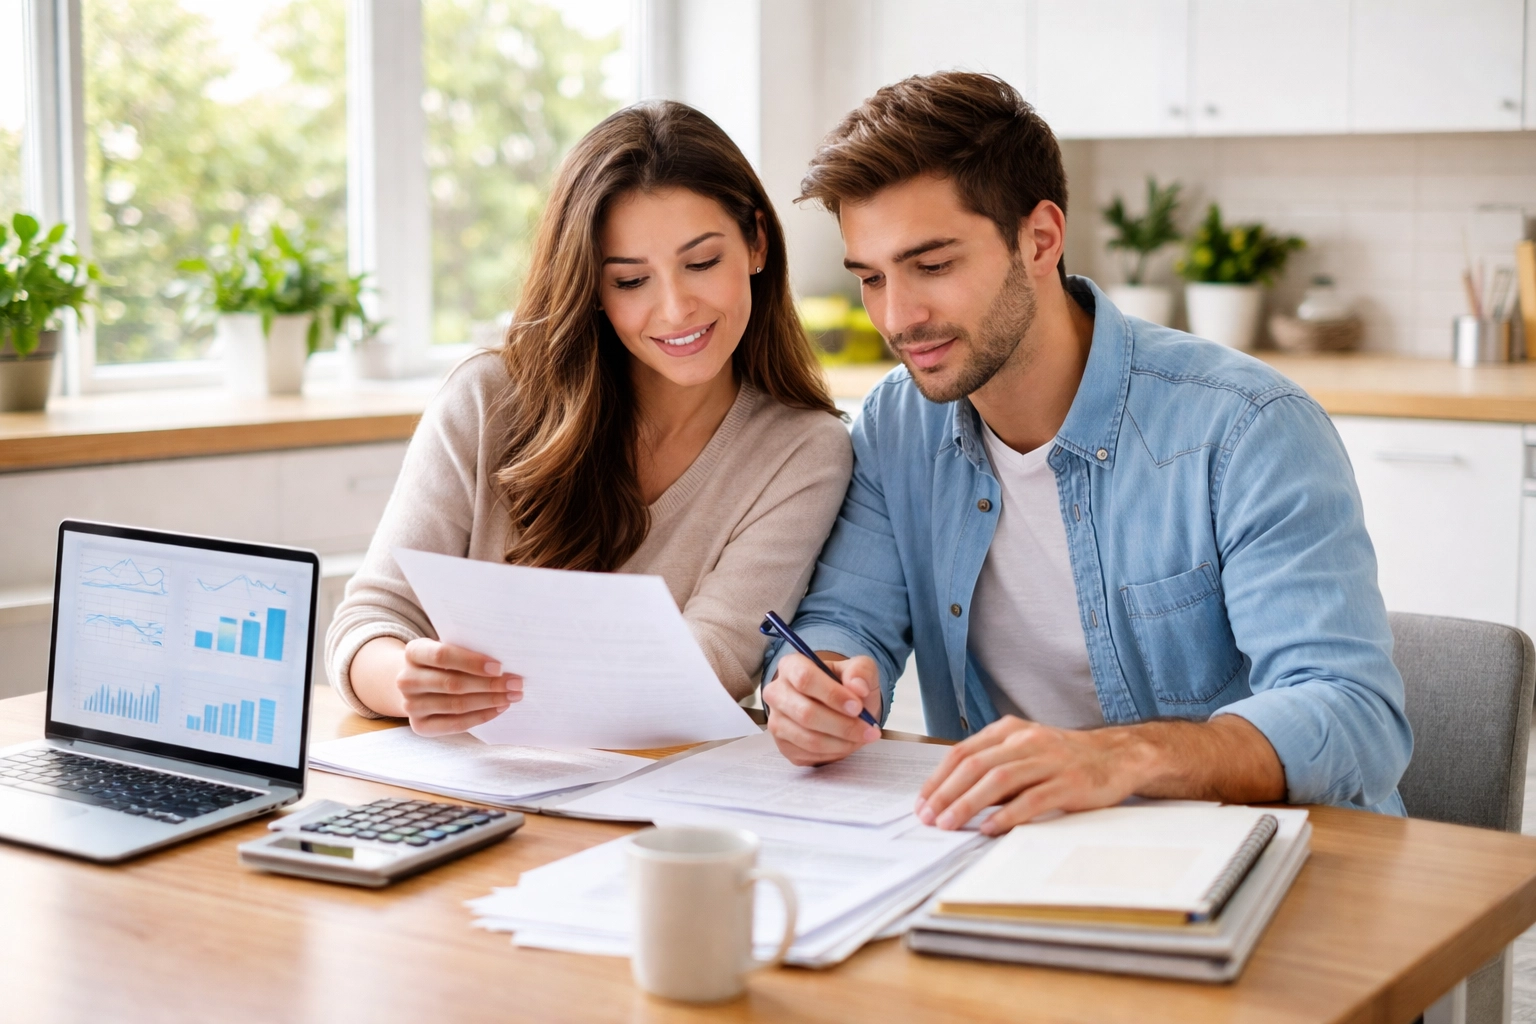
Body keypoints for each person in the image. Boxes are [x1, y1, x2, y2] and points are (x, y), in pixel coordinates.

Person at [762, 71, 1412, 835]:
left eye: (933, 265)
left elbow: (1351, 712)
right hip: (1010, 852)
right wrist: (814, 685)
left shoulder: (1246, 427)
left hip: (1253, 855)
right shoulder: (895, 427)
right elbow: (847, 619)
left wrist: (1119, 758)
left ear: (1040, 238)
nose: (897, 317)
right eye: (871, 277)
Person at [327, 100, 852, 735]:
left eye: (703, 262)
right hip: (463, 789)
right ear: (593, 291)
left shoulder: (803, 451)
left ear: (757, 244)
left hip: (654, 801)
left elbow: (707, 670)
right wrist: (407, 681)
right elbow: (369, 624)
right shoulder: (487, 401)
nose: (675, 308)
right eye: (631, 281)